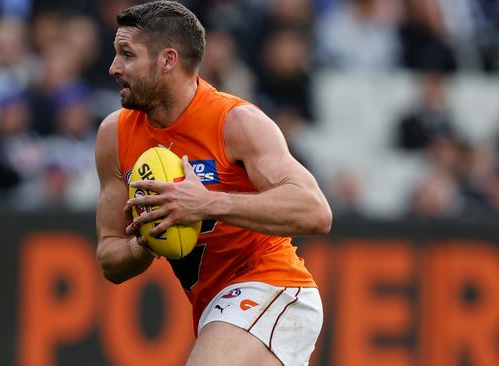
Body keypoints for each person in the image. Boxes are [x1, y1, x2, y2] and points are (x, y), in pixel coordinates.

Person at [94, 2, 332, 365]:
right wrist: (144, 243)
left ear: (168, 60)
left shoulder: (235, 121)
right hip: (213, 306)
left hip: (273, 285)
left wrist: (207, 202)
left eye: (127, 54)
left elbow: (317, 212)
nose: (114, 67)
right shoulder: (115, 134)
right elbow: (110, 256)